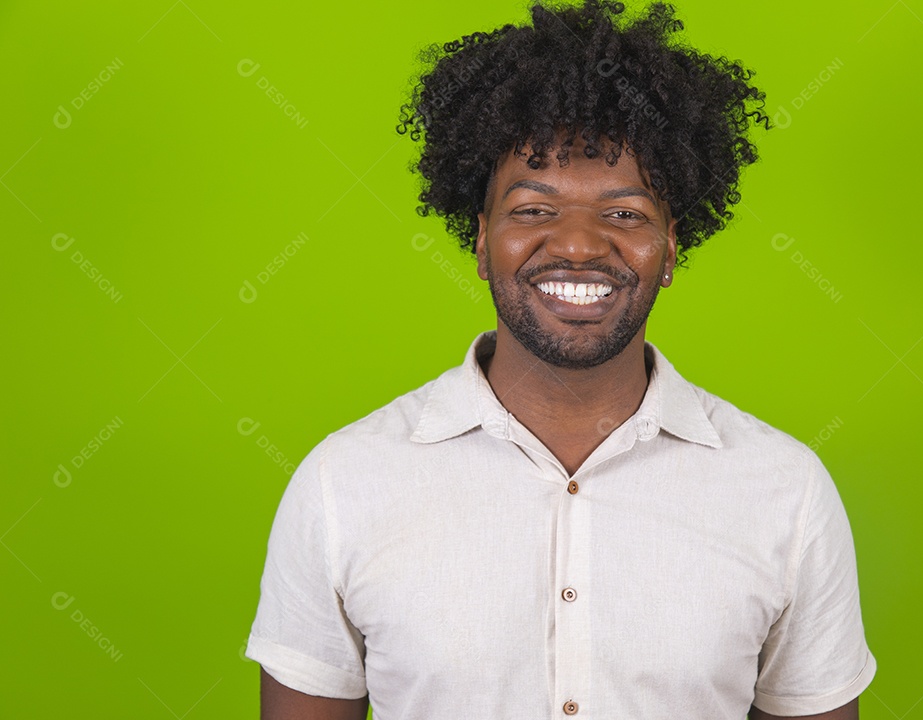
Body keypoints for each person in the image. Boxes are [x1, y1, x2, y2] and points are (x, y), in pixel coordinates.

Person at [244, 1, 876, 718]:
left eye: (625, 214)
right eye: (535, 210)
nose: (578, 245)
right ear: (482, 242)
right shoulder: (343, 485)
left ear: (670, 250)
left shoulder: (785, 493)